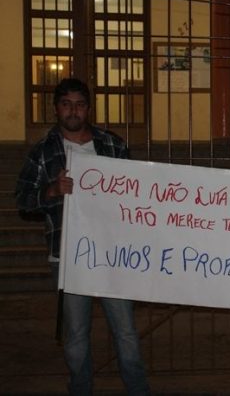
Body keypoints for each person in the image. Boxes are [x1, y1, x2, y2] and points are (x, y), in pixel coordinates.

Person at [15, 78, 150, 395]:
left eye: (79, 104)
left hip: (113, 256)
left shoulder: (113, 145)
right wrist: (52, 190)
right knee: (76, 335)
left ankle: (138, 390)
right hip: (67, 259)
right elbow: (22, 199)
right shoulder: (43, 152)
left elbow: (136, 194)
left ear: (88, 108)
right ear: (56, 109)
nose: (73, 110)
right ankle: (80, 389)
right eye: (66, 104)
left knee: (127, 332)